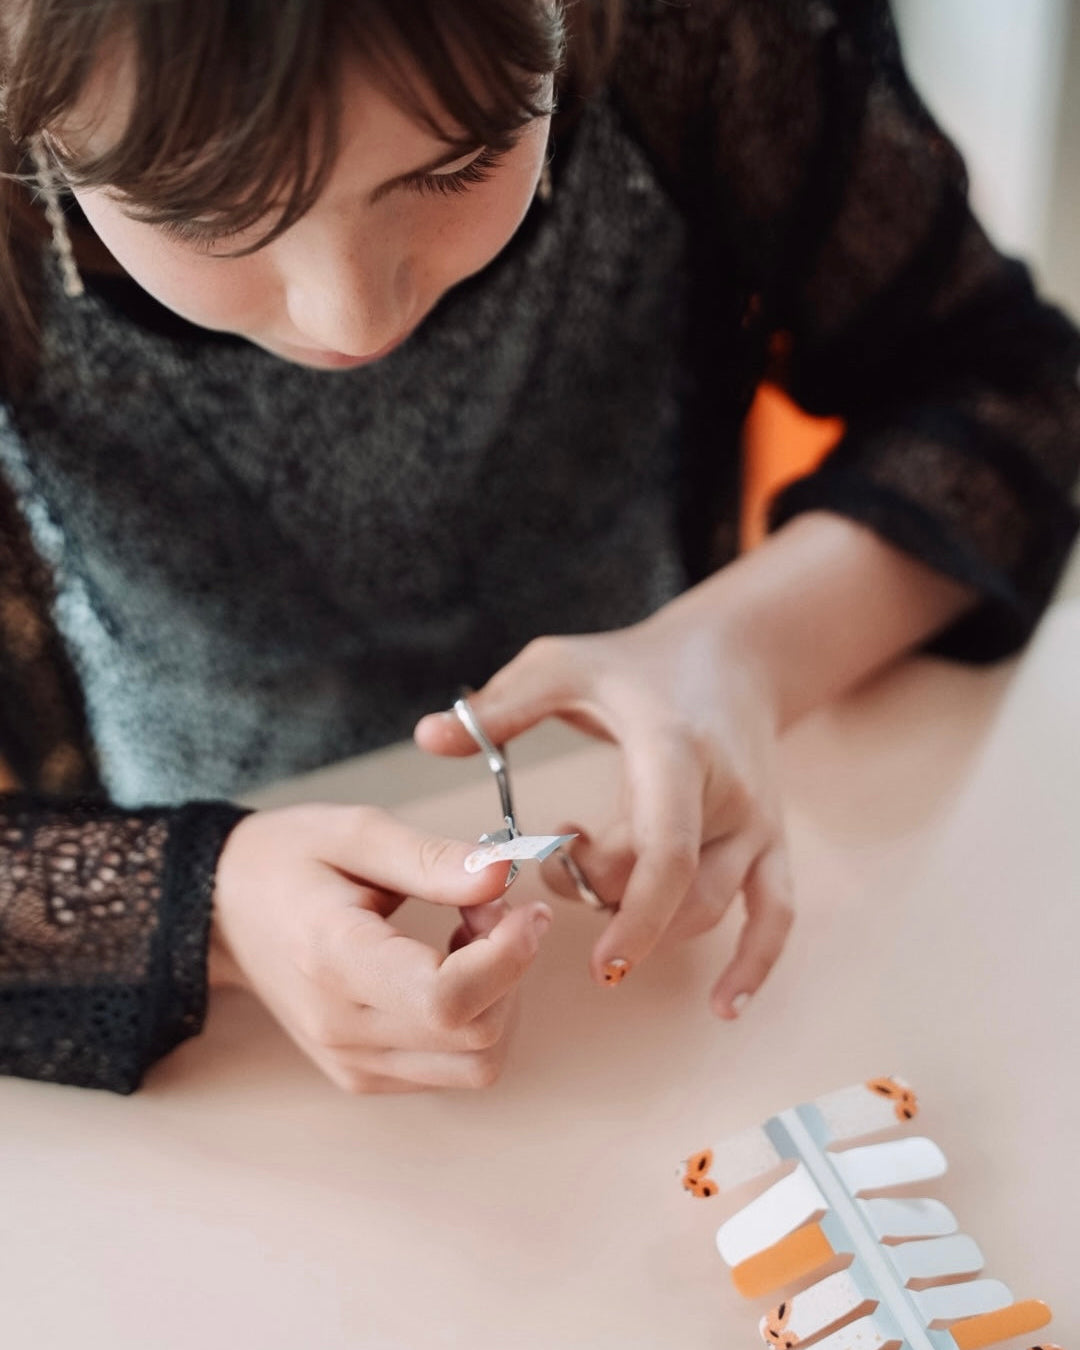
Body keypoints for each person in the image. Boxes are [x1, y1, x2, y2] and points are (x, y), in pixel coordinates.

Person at [0, 0, 1077, 1096]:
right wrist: (209, 908)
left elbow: (1024, 396)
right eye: (206, 214)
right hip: (204, 974)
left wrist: (746, 652)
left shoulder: (697, 31)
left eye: (456, 163)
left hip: (651, 833)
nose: (352, 318)